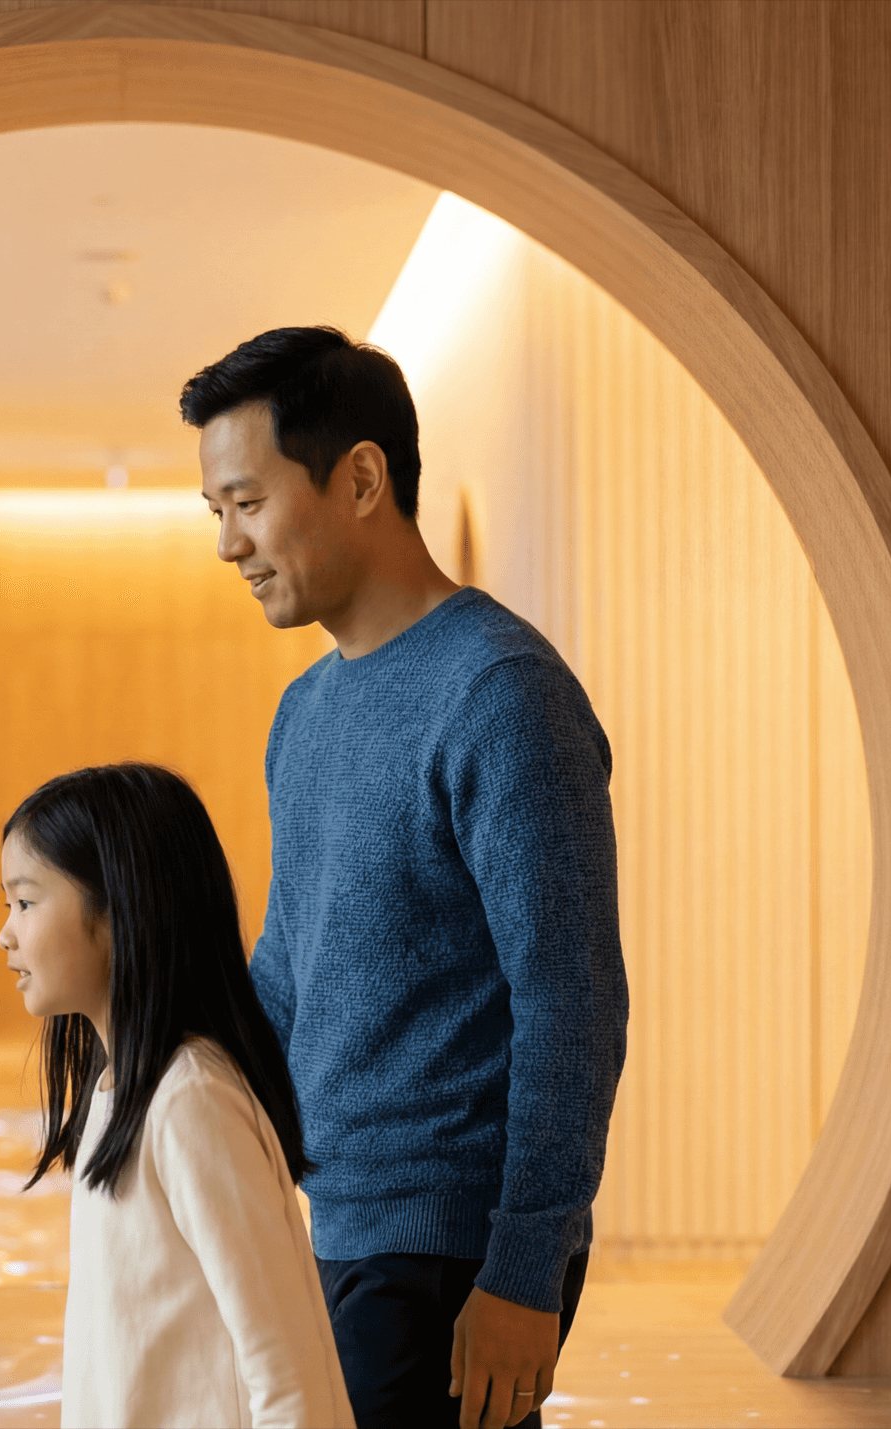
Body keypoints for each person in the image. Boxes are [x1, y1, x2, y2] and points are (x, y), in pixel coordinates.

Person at [183, 327, 628, 1429]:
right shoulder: (307, 710)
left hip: (449, 1248)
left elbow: (572, 1003)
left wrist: (524, 1268)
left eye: (245, 501)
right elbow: (293, 963)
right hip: (336, 1221)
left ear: (362, 477)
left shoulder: (501, 694)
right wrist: (170, 1063)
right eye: (215, 514)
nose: (228, 543)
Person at [0, 763, 353, 1429]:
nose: (6, 932)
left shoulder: (191, 1097)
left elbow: (285, 1366)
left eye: (25, 902)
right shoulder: (117, 1088)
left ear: (118, 909)